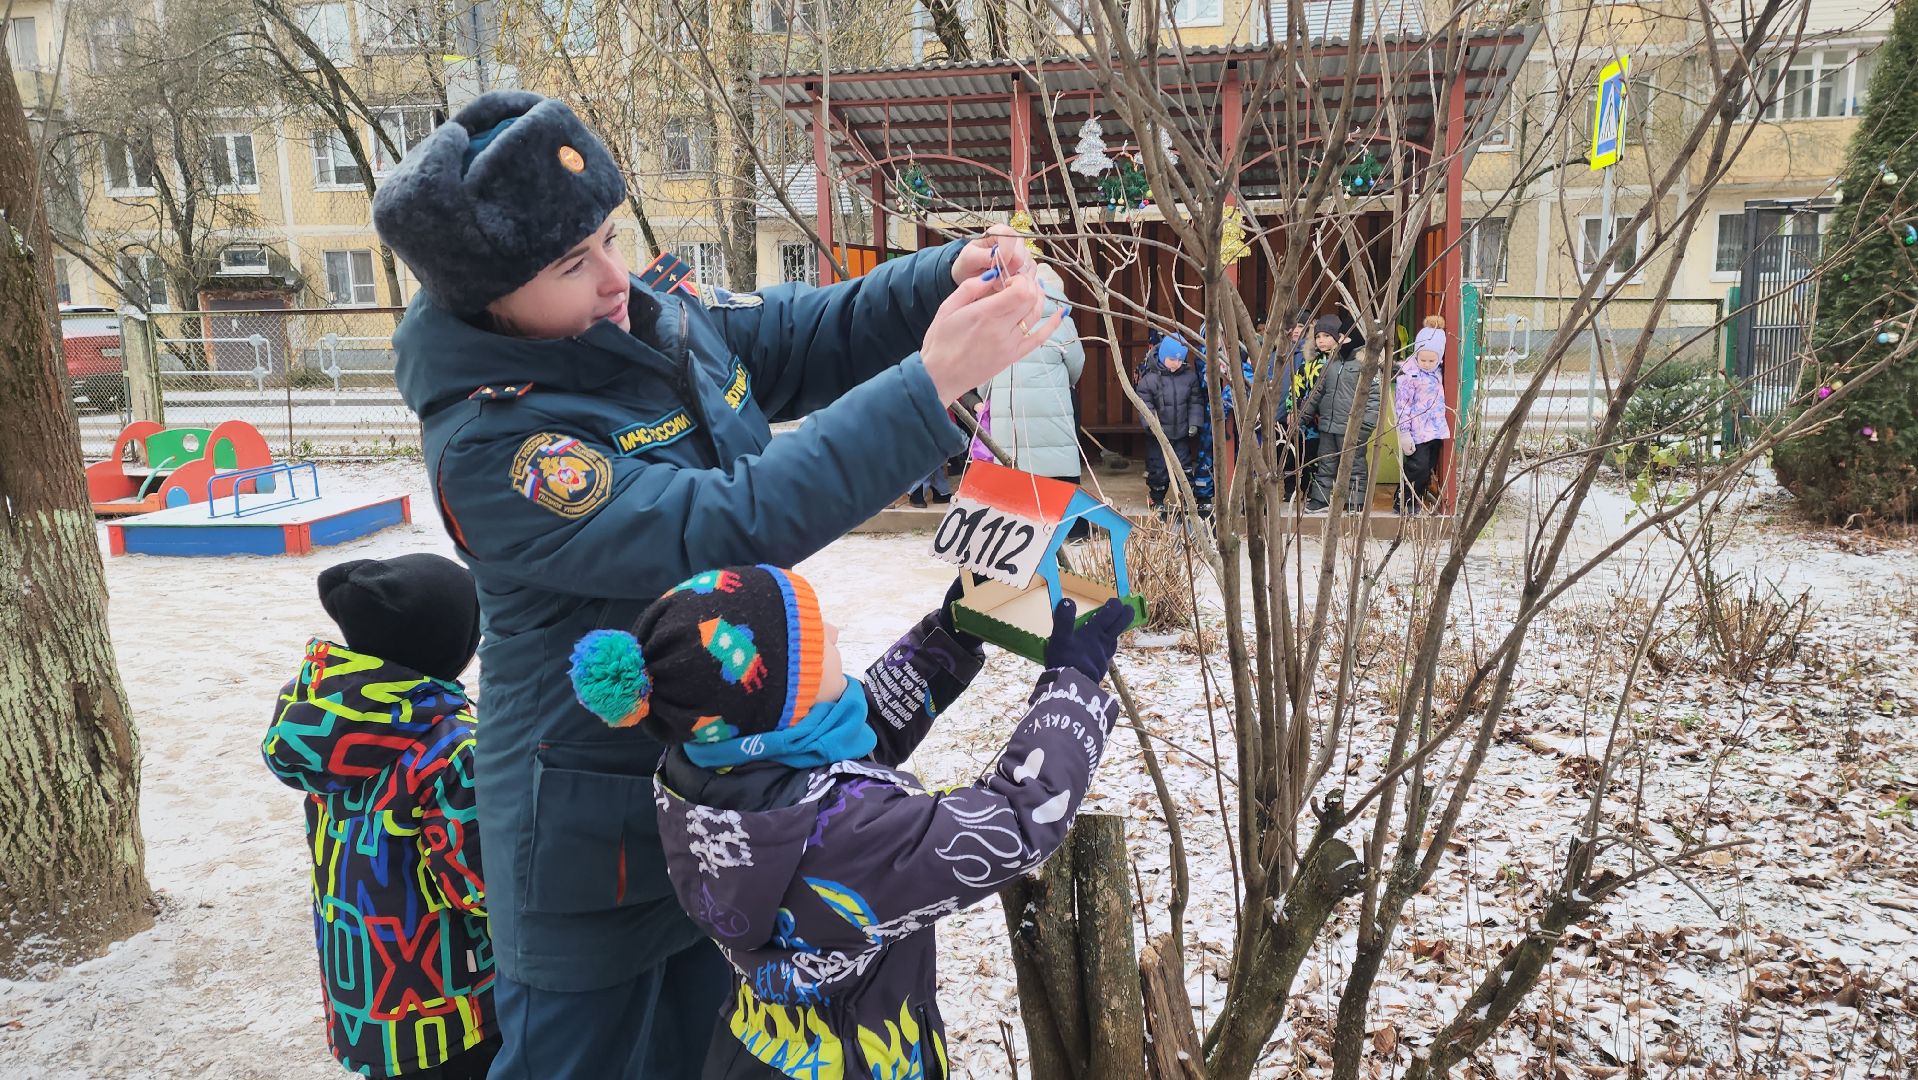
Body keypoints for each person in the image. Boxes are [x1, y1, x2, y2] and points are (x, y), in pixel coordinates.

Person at [373, 90, 1060, 1079]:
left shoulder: (641, 319)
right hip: (590, 851)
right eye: (573, 264)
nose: (615, 277)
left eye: (609, 237)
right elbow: (720, 523)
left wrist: (935, 282)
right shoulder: (500, 445)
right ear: (490, 299)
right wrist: (929, 384)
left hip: (716, 803)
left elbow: (797, 334)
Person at [565, 566, 1133, 1078]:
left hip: (756, 1050)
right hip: (864, 1061)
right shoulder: (850, 834)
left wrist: (951, 636)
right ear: (783, 705)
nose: (834, 633)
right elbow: (1013, 821)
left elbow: (862, 735)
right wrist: (1072, 686)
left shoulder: (701, 767)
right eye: (816, 643)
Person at [262, 554, 496, 1080]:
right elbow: (479, 887)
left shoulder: (327, 721)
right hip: (449, 1007)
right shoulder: (452, 747)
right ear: (453, 645)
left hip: (364, 999)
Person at [1298, 313, 1379, 513]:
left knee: (1354, 465)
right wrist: (1302, 417)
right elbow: (1317, 393)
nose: (1341, 341)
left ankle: (1355, 501)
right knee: (1325, 463)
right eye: (1341, 337)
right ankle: (1321, 499)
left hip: (1352, 427)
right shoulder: (1332, 363)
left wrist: (1365, 427)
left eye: (1346, 338)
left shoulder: (1365, 365)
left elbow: (1374, 399)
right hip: (1328, 425)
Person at [1136, 334, 1206, 515]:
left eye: (1179, 360)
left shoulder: (1189, 378)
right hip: (1158, 436)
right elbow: (1145, 405)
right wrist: (1151, 425)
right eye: (1171, 359)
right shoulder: (1150, 379)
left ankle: (1186, 498)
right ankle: (1157, 498)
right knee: (1158, 469)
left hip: (1181, 433)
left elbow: (1195, 402)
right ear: (1162, 356)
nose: (1175, 363)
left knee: (1184, 467)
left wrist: (1194, 423)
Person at [1395, 346, 1450, 514]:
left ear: (1439, 358)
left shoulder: (1439, 372)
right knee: (1417, 467)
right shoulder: (1409, 375)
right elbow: (1402, 405)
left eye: (1431, 361)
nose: (1426, 364)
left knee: (1427, 467)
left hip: (1436, 429)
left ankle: (1417, 496)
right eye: (1422, 360)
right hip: (1417, 430)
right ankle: (1403, 500)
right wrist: (1404, 432)